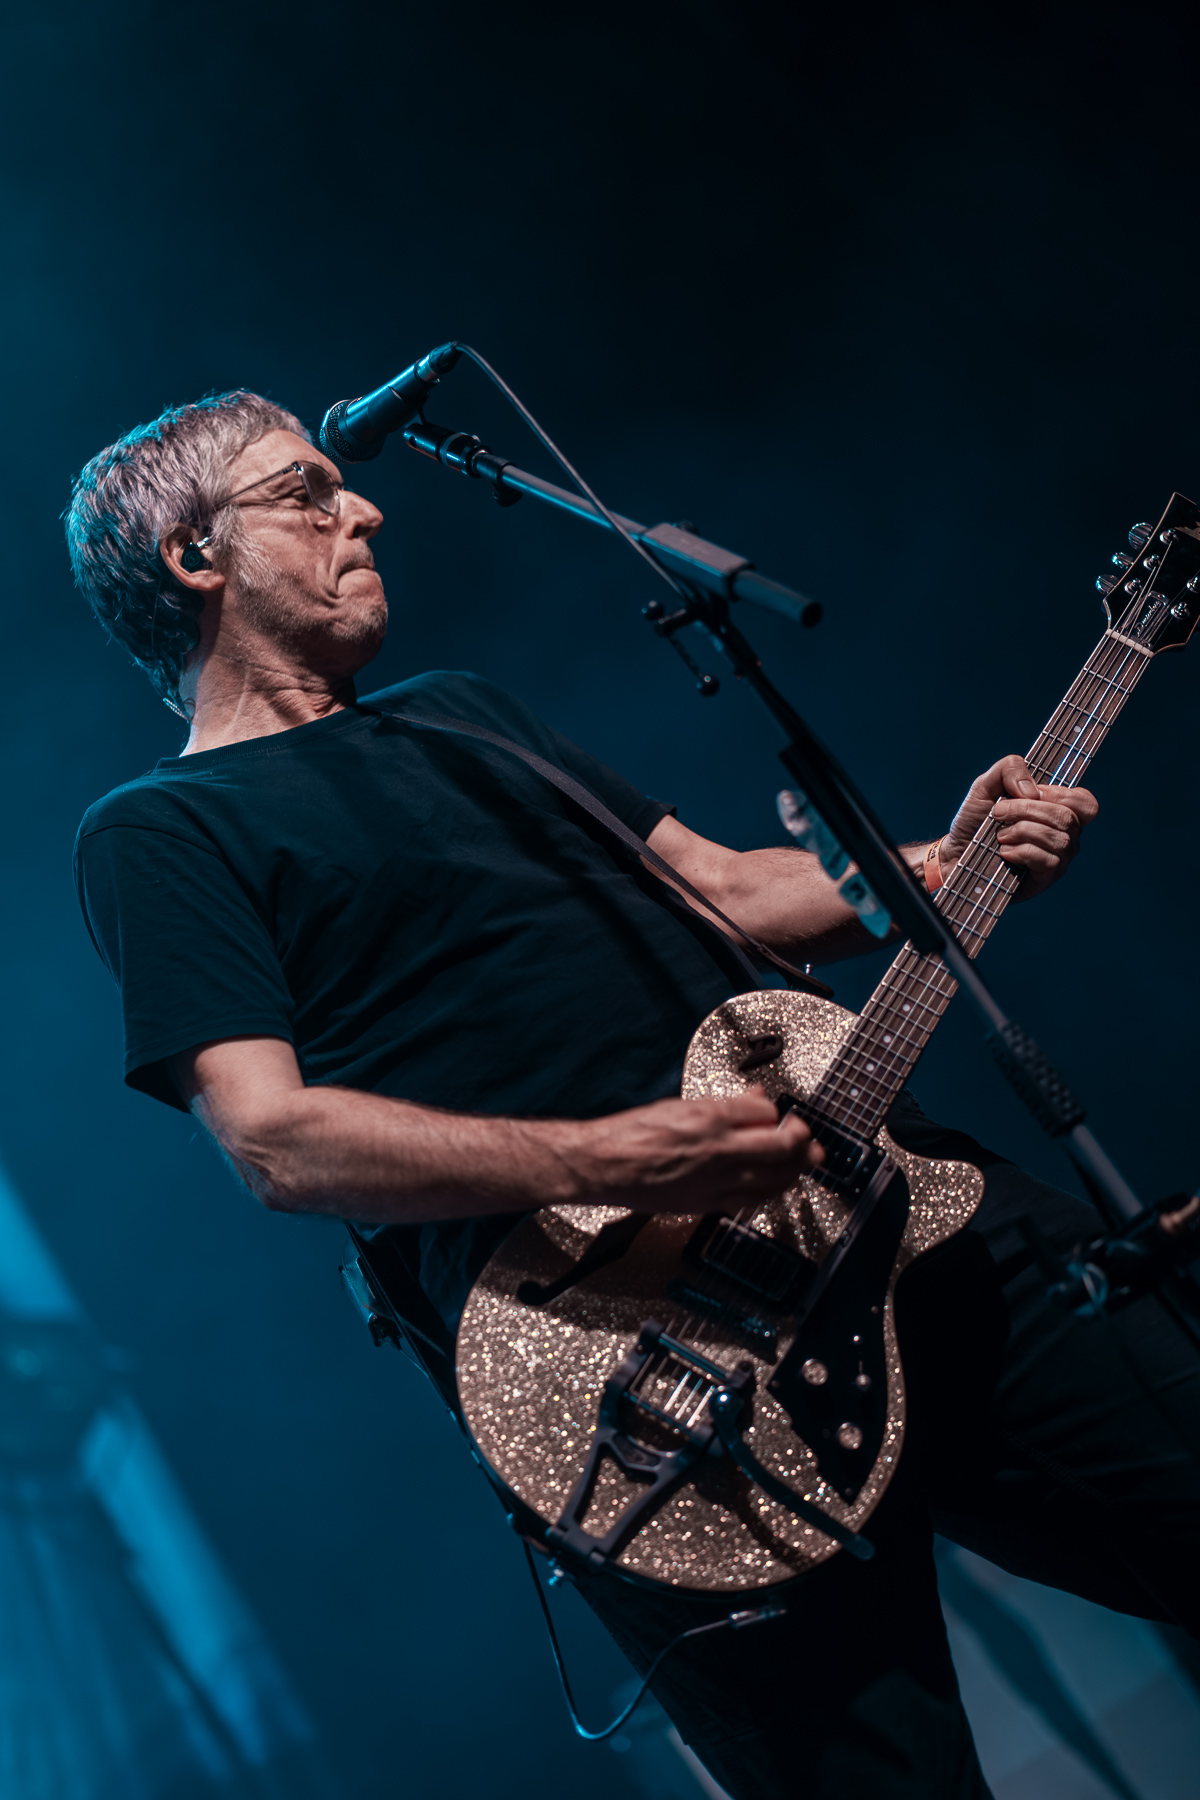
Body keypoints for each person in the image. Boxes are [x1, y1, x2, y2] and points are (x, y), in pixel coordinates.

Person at [67, 391, 1199, 1800]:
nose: (365, 508)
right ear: (194, 557)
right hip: (645, 1377)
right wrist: (618, 1156)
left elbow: (728, 888)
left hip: (890, 1207)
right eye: (307, 491)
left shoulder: (461, 715)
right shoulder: (156, 833)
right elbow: (272, 1138)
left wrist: (937, 861)